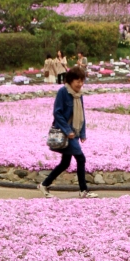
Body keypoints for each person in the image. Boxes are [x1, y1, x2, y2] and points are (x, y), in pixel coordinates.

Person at [38, 68, 97, 198]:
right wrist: (67, 130)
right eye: (78, 81)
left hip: (74, 133)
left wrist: (82, 133)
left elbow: (81, 114)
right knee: (81, 158)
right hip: (66, 133)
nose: (80, 84)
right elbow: (57, 113)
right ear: (70, 80)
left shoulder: (78, 94)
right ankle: (83, 190)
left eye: (82, 81)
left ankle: (44, 185)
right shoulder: (63, 92)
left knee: (65, 163)